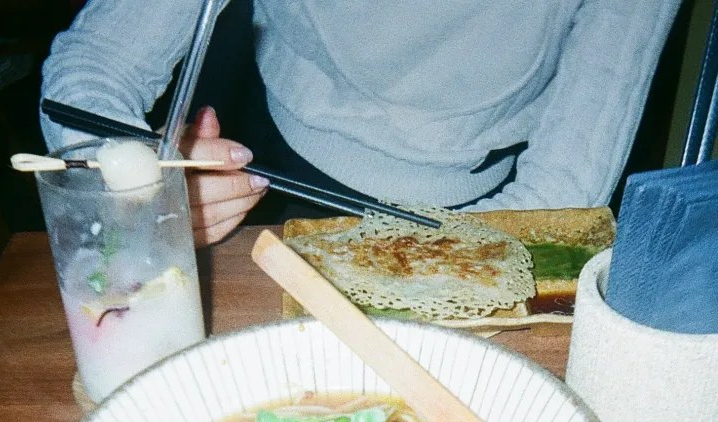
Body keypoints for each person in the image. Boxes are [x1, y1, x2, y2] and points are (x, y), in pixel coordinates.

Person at [41, 0, 683, 247]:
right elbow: (98, 61)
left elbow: (562, 195)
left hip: (488, 220)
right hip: (254, 190)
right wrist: (141, 196)